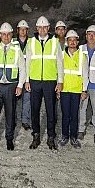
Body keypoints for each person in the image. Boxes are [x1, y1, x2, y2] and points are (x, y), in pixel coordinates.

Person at [0, 23, 26, 150]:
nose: (6, 36)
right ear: (0, 35)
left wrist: (20, 85)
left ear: (12, 35)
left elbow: (22, 69)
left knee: (10, 114)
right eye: (3, 34)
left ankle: (9, 139)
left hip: (11, 86)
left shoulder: (17, 50)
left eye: (8, 34)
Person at [25, 16, 64, 150]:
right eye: (40, 27)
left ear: (48, 28)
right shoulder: (31, 42)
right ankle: (36, 136)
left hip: (50, 81)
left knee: (51, 110)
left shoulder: (55, 42)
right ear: (37, 28)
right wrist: (26, 80)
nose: (42, 29)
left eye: (45, 27)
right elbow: (27, 62)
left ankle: (51, 137)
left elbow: (60, 62)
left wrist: (60, 81)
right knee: (35, 110)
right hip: (35, 81)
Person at [60, 30, 87, 148]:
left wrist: (84, 90)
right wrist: (58, 87)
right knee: (65, 114)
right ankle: (64, 135)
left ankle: (74, 137)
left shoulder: (82, 56)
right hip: (64, 89)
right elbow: (58, 73)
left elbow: (85, 74)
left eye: (74, 40)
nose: (72, 42)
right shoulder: (61, 55)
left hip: (76, 90)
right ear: (67, 42)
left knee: (74, 114)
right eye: (69, 40)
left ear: (77, 42)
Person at [13, 20, 32, 130]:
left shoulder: (31, 43)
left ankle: (25, 120)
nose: (23, 31)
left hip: (27, 75)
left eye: (25, 29)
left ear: (27, 31)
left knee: (27, 99)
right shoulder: (12, 42)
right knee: (13, 99)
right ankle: (13, 119)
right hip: (15, 75)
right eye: (21, 29)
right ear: (17, 30)